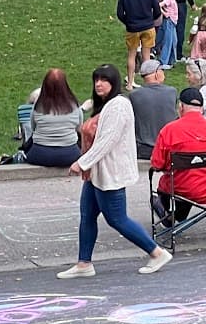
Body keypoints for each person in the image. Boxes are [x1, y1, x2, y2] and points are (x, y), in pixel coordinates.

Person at [57, 65, 171, 279]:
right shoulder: (107, 105)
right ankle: (84, 263)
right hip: (97, 172)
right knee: (87, 215)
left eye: (104, 80)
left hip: (110, 173)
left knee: (117, 219)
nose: (99, 83)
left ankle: (157, 252)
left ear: (114, 83)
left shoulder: (118, 105)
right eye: (96, 79)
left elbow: (107, 141)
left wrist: (82, 162)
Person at [150, 86, 206, 224]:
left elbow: (157, 164)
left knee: (171, 181)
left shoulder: (170, 130)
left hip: (184, 187)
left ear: (180, 107)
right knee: (189, 177)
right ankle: (178, 216)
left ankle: (167, 217)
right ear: (202, 109)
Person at [23, 69, 82, 168]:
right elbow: (79, 128)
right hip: (70, 154)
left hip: (40, 154)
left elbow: (33, 127)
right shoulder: (74, 105)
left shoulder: (38, 105)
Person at [116, 0, 162, 90]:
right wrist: (150, 20)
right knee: (146, 56)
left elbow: (120, 13)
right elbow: (157, 11)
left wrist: (128, 22)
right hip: (148, 27)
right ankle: (148, 83)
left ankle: (130, 83)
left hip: (132, 28)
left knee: (131, 55)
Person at [130, 58, 179, 162]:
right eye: (162, 70)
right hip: (167, 149)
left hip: (142, 150)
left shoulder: (134, 95)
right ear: (156, 74)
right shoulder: (171, 92)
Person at [157, 0, 180, 68]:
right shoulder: (168, 0)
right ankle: (163, 62)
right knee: (168, 41)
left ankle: (172, 60)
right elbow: (159, 5)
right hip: (169, 22)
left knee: (174, 41)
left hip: (173, 23)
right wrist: (165, 13)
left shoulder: (173, 0)